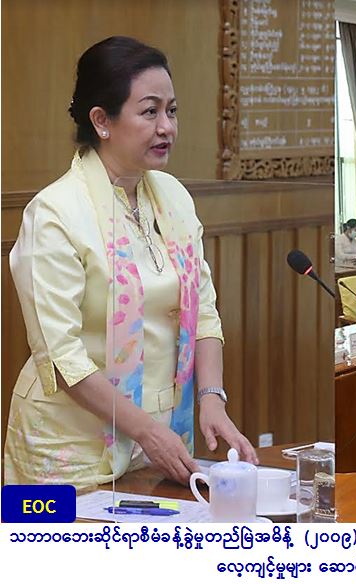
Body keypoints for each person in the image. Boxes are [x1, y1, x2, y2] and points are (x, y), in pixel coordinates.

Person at [4, 37, 256, 488]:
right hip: (69, 448)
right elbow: (62, 358)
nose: (167, 127)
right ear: (101, 120)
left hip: (159, 437)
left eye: (172, 111)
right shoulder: (55, 213)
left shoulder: (173, 196)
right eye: (150, 112)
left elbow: (203, 310)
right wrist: (146, 431)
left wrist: (211, 397)